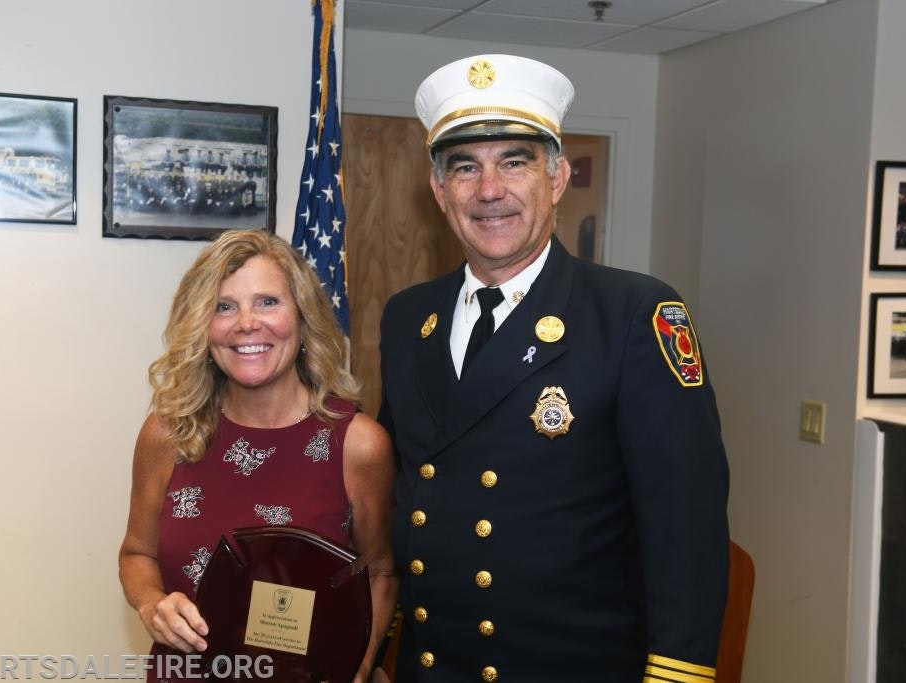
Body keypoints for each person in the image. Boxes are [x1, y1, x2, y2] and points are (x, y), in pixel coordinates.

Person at [377, 54, 730, 682]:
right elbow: (402, 493)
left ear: (558, 176)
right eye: (465, 168)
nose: (489, 191)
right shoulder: (409, 319)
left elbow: (687, 529)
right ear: (438, 190)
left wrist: (678, 674)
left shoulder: (633, 315)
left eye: (515, 161)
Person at [119, 229, 397, 683]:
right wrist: (151, 604)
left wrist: (358, 670)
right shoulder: (169, 433)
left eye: (268, 302)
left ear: (303, 318)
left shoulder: (358, 445)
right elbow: (136, 553)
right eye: (224, 306)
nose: (247, 323)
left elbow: (381, 573)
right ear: (202, 327)